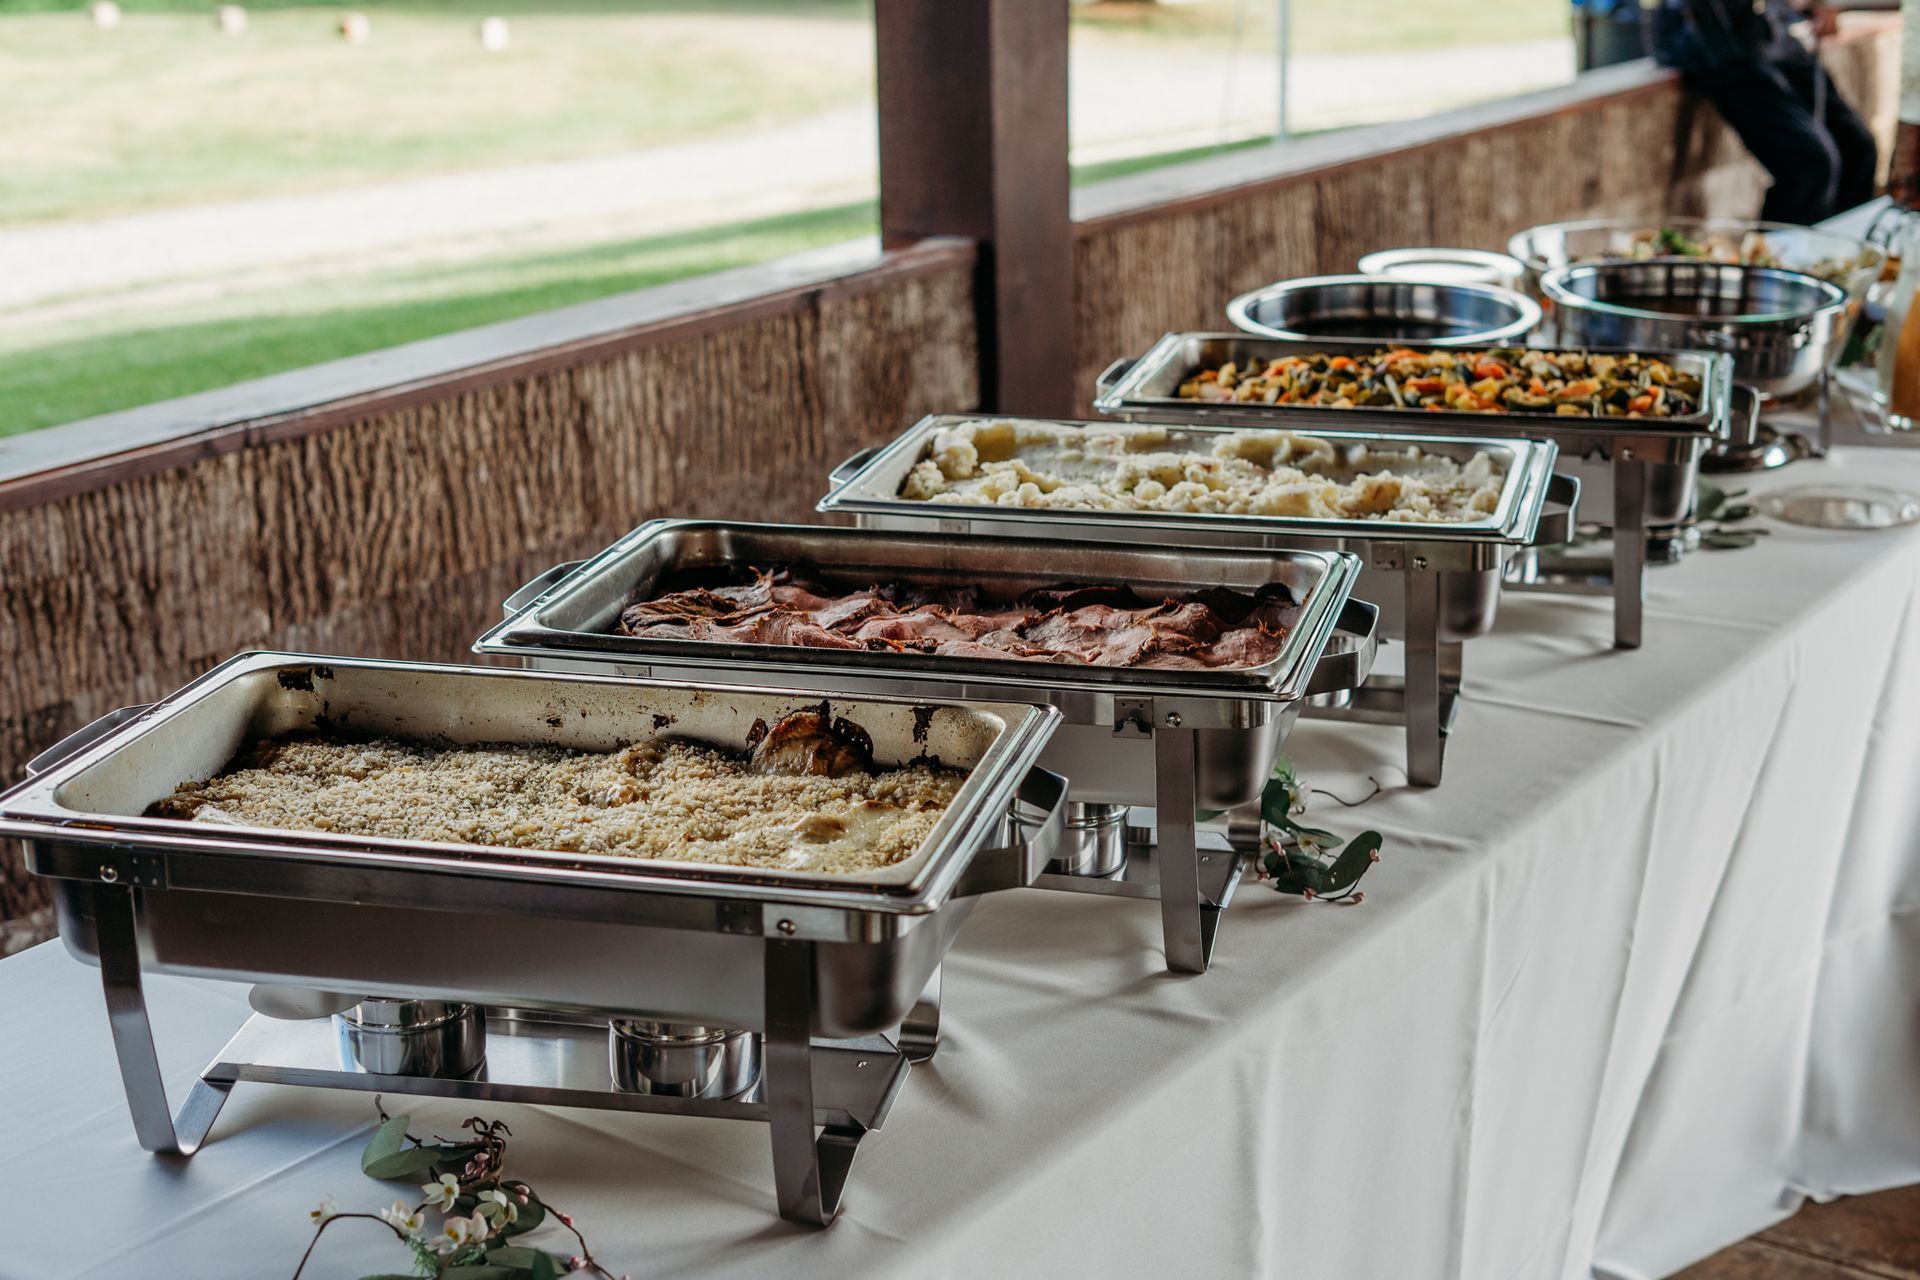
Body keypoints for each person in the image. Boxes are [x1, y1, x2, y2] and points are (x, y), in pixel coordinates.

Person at [1648, 0, 1879, 224]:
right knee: (1810, 163)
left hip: (1772, 31)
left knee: (1858, 147)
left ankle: (1847, 255)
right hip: (1714, 39)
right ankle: (1774, 260)